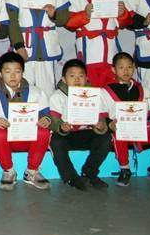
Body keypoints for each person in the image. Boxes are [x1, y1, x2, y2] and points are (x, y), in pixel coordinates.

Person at [0, 52, 52, 191]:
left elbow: (46, 115)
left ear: (23, 72)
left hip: (28, 139)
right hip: (4, 142)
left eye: (17, 71)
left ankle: (32, 172)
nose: (13, 76)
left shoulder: (36, 92)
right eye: (8, 71)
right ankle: (9, 171)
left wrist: (45, 120)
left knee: (43, 132)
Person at [102, 52, 150, 187]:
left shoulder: (144, 89)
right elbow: (101, 115)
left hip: (141, 133)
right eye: (121, 67)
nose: (126, 71)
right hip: (121, 135)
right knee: (117, 131)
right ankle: (125, 169)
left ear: (134, 67)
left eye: (129, 67)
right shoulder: (105, 91)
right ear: (113, 69)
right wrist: (110, 124)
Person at [6, 0, 70, 94]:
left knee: (48, 90)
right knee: (23, 89)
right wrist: (19, 46)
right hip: (26, 47)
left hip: (47, 47)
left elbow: (64, 19)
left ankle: (46, 110)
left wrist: (54, 14)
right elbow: (12, 22)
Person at [65, 0, 132, 87]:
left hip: (111, 52)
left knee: (112, 90)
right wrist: (85, 14)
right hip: (89, 53)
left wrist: (123, 14)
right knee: (92, 89)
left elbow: (127, 22)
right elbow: (69, 23)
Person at [47, 59, 110, 191]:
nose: (77, 79)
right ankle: (71, 178)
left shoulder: (95, 95)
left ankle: (89, 173)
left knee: (105, 138)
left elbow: (103, 119)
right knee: (56, 141)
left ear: (86, 78)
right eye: (72, 76)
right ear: (64, 79)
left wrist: (101, 126)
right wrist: (61, 126)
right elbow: (53, 120)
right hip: (67, 135)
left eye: (81, 76)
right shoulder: (57, 96)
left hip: (87, 133)